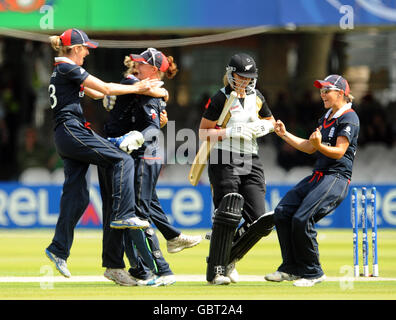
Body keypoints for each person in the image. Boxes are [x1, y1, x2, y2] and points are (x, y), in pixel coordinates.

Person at [44, 29, 166, 278]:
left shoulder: (65, 71)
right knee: (121, 158)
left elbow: (99, 93)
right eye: (86, 48)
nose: (88, 52)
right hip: (72, 130)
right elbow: (105, 88)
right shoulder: (68, 68)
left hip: (68, 134)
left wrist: (140, 90)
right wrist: (138, 88)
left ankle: (59, 249)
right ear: (76, 49)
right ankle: (124, 214)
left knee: (77, 197)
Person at [100, 48, 201, 286]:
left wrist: (138, 134)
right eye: (135, 62)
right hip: (136, 155)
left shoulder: (148, 91)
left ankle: (162, 270)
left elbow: (153, 127)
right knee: (131, 212)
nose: (136, 66)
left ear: (154, 69)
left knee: (135, 215)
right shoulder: (142, 87)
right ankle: (144, 266)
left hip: (145, 155)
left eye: (141, 64)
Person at [265, 74, 359, 287]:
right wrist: (284, 134)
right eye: (321, 90)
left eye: (327, 90)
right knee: (282, 213)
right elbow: (309, 146)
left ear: (341, 93)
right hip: (318, 176)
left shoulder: (349, 117)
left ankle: (314, 272)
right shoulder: (326, 117)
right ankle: (290, 268)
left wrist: (319, 145)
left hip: (336, 178)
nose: (322, 94)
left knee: (302, 218)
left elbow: (339, 152)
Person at [199, 53, 276, 285]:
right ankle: (217, 271)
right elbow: (203, 132)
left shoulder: (258, 97)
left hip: (251, 159)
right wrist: (229, 132)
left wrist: (265, 127)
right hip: (223, 157)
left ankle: (228, 258)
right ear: (231, 74)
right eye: (241, 77)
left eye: (249, 77)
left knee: (260, 220)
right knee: (227, 215)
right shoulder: (219, 98)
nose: (245, 82)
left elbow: (272, 121)